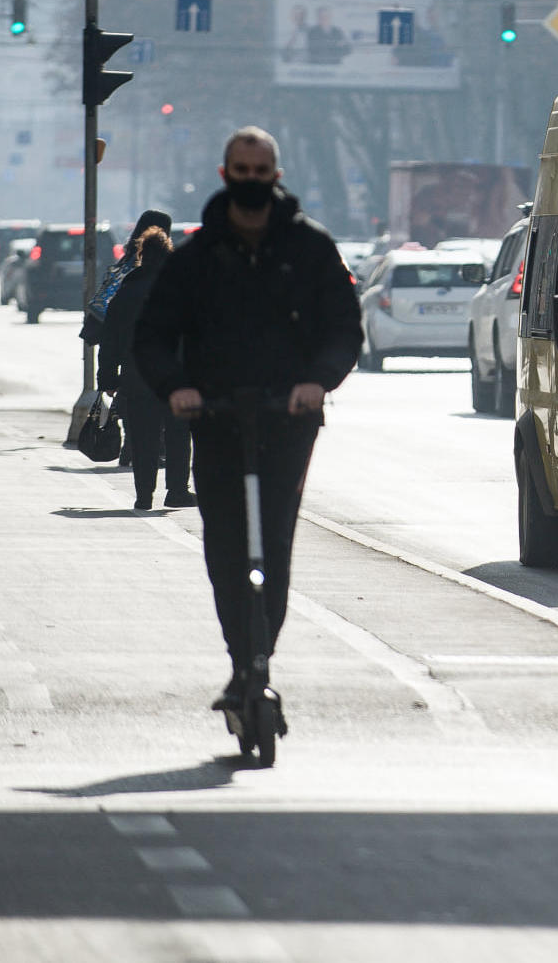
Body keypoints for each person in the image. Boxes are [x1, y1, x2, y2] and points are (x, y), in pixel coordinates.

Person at [133, 127, 362, 713]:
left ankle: (261, 660)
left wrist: (319, 381)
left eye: (262, 172)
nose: (252, 182)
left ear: (277, 176)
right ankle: (241, 660)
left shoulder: (310, 248)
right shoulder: (196, 256)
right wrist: (176, 388)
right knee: (227, 548)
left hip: (288, 420)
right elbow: (154, 336)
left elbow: (343, 326)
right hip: (214, 419)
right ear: (224, 174)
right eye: (242, 170)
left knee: (274, 545)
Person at [99, 226, 193, 511]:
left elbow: (110, 339)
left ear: (141, 256)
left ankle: (144, 495)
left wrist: (107, 377)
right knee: (178, 436)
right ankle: (177, 490)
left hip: (137, 377)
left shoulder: (125, 293)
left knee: (143, 439)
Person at [84, 210, 172, 472]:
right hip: (147, 348)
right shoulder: (147, 264)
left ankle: (131, 448)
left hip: (121, 343)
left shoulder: (126, 259)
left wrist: (107, 373)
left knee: (131, 397)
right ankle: (142, 449)